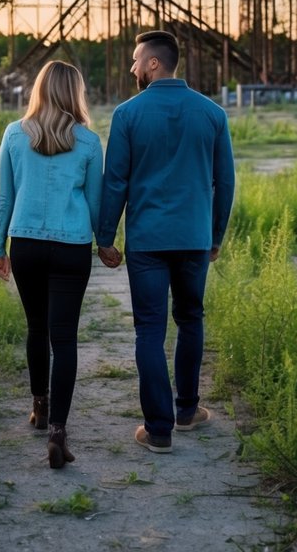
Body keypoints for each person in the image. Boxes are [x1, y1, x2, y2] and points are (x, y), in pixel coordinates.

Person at [96, 30, 235, 454]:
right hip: (193, 238)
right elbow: (225, 181)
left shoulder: (128, 115)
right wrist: (215, 235)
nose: (133, 68)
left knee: (150, 330)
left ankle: (159, 430)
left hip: (148, 242)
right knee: (191, 319)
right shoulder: (212, 114)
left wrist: (105, 237)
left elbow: (115, 180)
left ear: (154, 63)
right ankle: (188, 410)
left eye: (137, 60)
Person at [0, 60, 103, 469]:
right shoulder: (89, 143)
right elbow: (96, 204)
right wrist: (106, 244)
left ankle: (39, 406)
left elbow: (4, 197)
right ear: (76, 93)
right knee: (65, 338)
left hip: (25, 245)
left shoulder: (13, 136)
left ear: (38, 90)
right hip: (72, 246)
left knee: (36, 327)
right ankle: (58, 431)